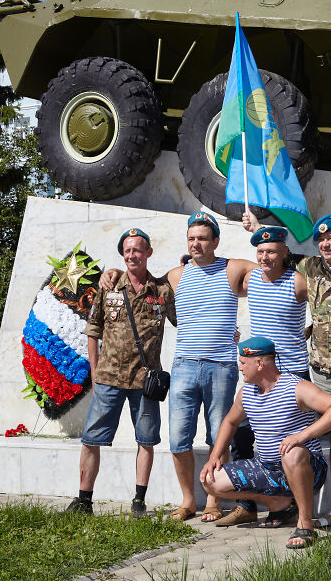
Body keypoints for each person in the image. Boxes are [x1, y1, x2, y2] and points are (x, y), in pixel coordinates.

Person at [99, 212, 256, 522]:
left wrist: (258, 229)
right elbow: (140, 280)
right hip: (183, 366)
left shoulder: (232, 267)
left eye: (202, 238)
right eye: (191, 238)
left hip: (221, 366)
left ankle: (215, 500)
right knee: (178, 438)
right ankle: (188, 502)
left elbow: (270, 269)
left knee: (217, 437)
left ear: (215, 242)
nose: (196, 243)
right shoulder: (175, 276)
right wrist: (113, 271)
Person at [242, 211, 331, 525]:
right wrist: (257, 228)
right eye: (320, 239)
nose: (325, 243)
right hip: (323, 371)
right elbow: (276, 252)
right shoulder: (310, 267)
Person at [199, 337, 331, 549]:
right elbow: (229, 422)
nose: (240, 367)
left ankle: (305, 525)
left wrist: (302, 436)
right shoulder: (246, 394)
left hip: (308, 468)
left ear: (260, 364)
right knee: (210, 480)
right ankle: (277, 503)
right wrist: (214, 457)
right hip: (268, 468)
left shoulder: (296, 387)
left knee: (292, 453)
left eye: (243, 362)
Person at [65, 228, 175, 517]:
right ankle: (84, 501)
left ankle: (139, 503)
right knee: (91, 438)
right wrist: (94, 367)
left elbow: (184, 320)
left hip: (145, 380)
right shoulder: (109, 286)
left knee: (147, 440)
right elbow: (94, 328)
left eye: (138, 249)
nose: (132, 255)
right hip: (109, 377)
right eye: (127, 250)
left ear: (148, 253)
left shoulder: (162, 292)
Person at [211, 224, 310, 527]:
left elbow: (326, 307)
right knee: (243, 434)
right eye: (261, 251)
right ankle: (246, 505)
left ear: (284, 253)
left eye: (272, 251)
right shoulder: (251, 279)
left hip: (292, 370)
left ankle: (292, 505)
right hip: (258, 372)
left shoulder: (297, 282)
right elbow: (216, 267)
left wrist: (308, 334)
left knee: (290, 442)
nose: (266, 256)